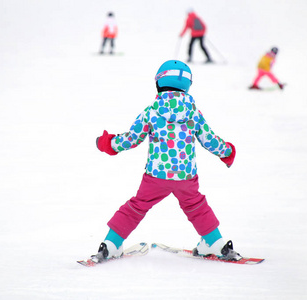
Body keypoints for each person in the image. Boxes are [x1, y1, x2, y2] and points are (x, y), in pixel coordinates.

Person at [92, 60, 241, 263]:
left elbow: (131, 139)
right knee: (197, 207)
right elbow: (210, 140)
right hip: (186, 177)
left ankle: (111, 244)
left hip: (155, 176)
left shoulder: (151, 112)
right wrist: (227, 152)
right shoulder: (194, 114)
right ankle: (214, 242)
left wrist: (108, 144)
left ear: (159, 83)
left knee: (137, 207)